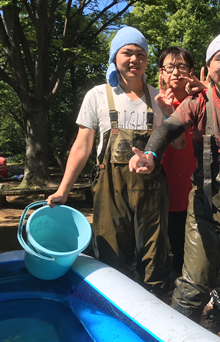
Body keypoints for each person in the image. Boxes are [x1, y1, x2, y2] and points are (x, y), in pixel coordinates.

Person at [129, 32, 220, 342]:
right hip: (205, 206)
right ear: (209, 68)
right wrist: (152, 154)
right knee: (190, 288)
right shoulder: (198, 102)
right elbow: (169, 127)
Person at [46, 26, 171, 297]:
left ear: (147, 60)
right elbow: (82, 146)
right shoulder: (98, 95)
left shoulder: (159, 98)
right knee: (112, 256)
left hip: (151, 190)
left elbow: (178, 144)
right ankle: (115, 315)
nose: (134, 59)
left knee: (154, 258)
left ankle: (156, 319)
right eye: (127, 52)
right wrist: (64, 189)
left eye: (141, 54)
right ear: (115, 57)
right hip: (109, 189)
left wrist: (172, 112)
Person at [156, 47, 198, 275]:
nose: (175, 72)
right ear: (161, 72)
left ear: (191, 72)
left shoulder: (201, 102)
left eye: (181, 67)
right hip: (163, 186)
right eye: (169, 67)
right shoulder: (153, 101)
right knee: (164, 244)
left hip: (195, 187)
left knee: (191, 246)